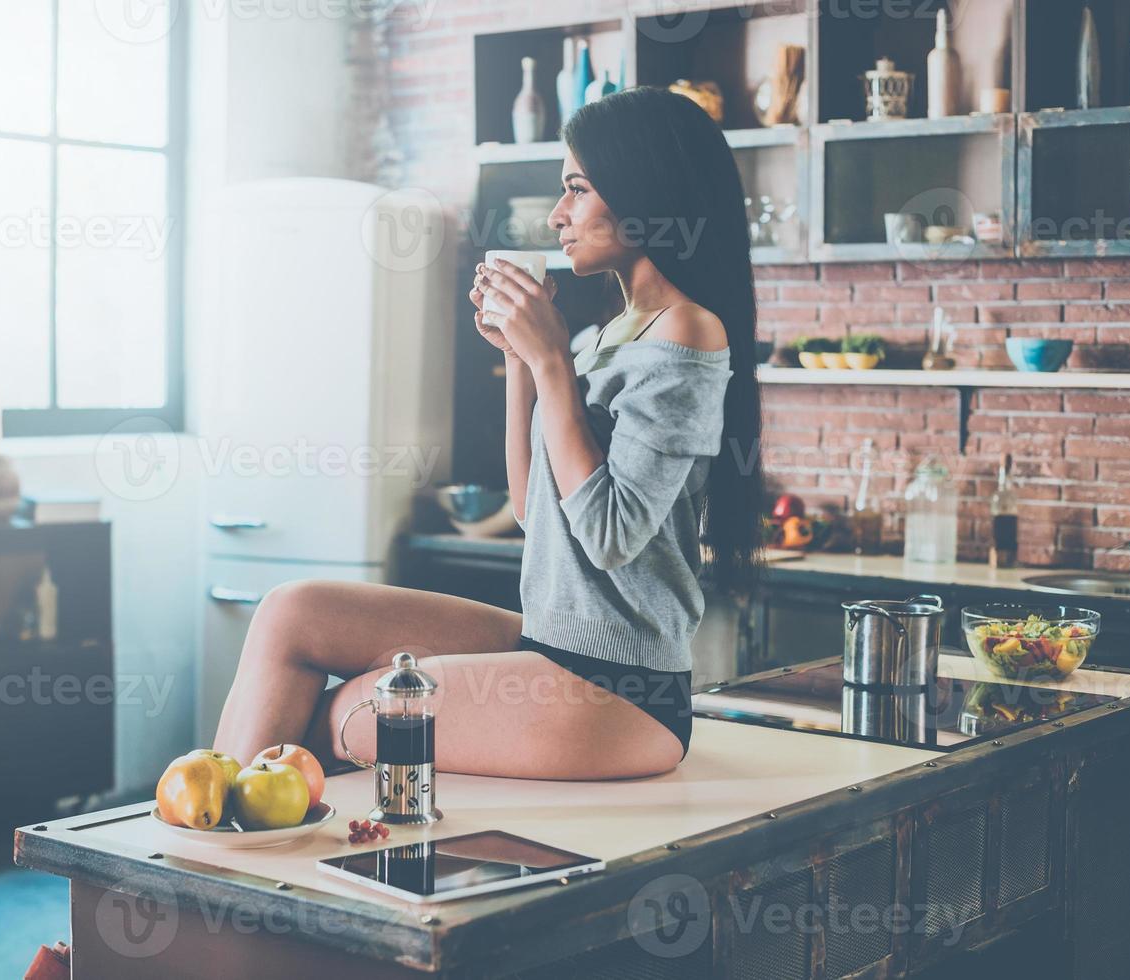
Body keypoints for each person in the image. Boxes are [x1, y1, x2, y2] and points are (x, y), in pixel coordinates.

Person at [214, 86, 764, 780]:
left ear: (642, 193)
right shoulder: (600, 337)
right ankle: (206, 838)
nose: (559, 215)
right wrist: (519, 360)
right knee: (292, 612)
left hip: (623, 687)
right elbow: (536, 511)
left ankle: (215, 856)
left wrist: (549, 360)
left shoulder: (686, 331)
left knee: (345, 714)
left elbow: (610, 535)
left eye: (577, 189)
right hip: (548, 640)